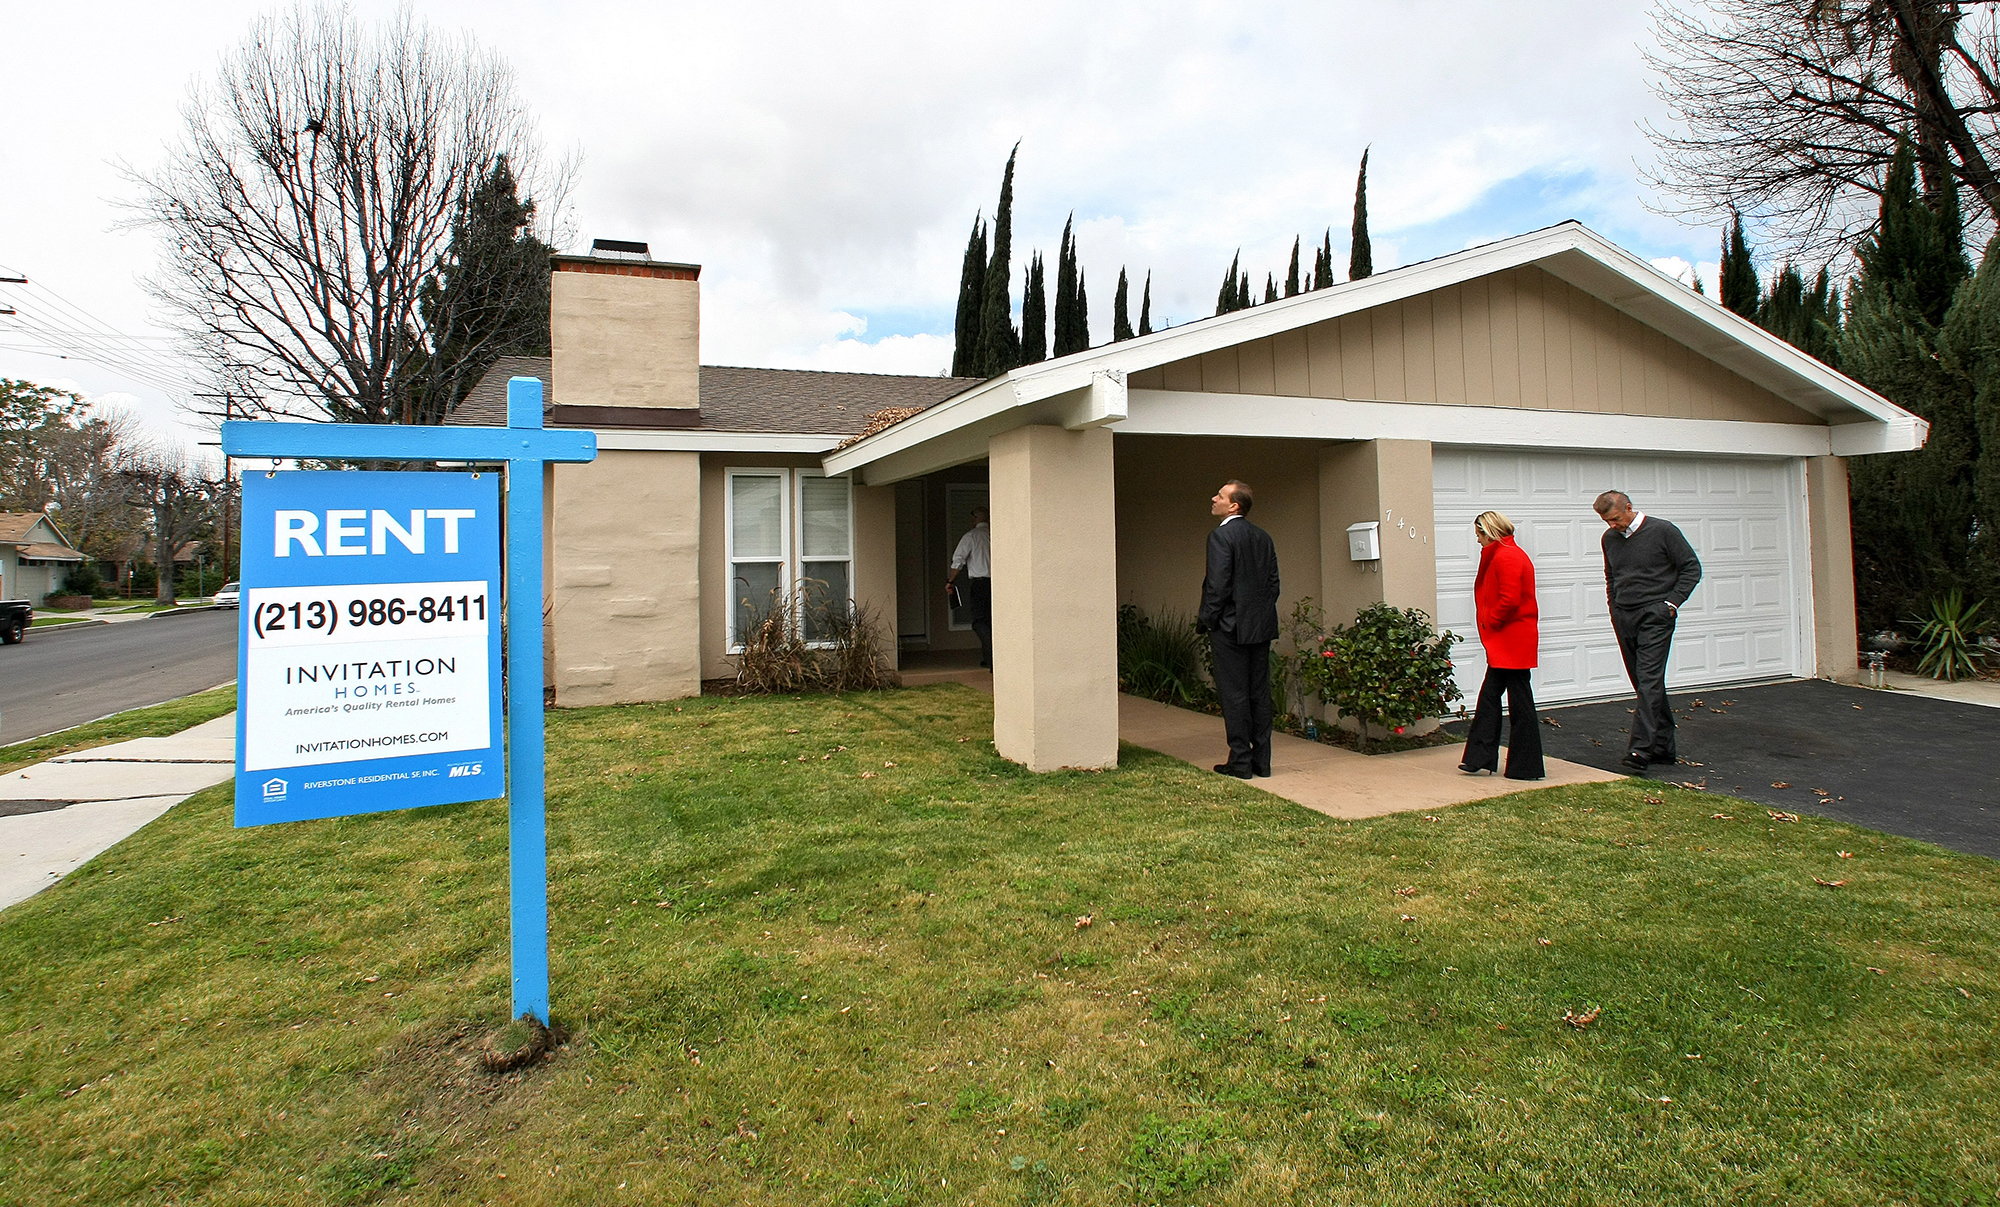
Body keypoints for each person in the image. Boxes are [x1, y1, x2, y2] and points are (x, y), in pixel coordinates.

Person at [1595, 489, 1702, 772]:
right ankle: (1664, 748)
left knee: (1649, 679)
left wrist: (1671, 603)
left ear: (1629, 507)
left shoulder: (1664, 531)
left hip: (1656, 614)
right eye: (1607, 522)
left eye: (1615, 519)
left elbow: (1691, 568)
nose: (1612, 526)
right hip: (1625, 615)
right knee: (1642, 681)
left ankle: (1640, 751)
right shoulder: (1610, 539)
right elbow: (1612, 576)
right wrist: (1614, 609)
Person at [1197, 480, 1281, 779]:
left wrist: (1209, 619)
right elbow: (1273, 585)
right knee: (1258, 694)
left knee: (1234, 695)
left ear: (1234, 505)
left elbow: (1217, 586)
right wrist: (1257, 615)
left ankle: (1240, 762)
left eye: (1219, 495)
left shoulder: (1221, 537)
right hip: (1259, 628)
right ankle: (1262, 762)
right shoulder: (1263, 537)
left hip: (1230, 628)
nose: (1213, 498)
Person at [1458, 511, 1545, 780]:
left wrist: (1492, 621)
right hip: (1507, 639)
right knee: (1494, 698)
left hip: (1511, 638)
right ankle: (1482, 758)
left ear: (1490, 532)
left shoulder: (1507, 556)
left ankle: (1521, 765)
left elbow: (1509, 599)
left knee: (1517, 701)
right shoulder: (1505, 554)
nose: (1478, 541)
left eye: (1479, 535)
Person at [945, 506, 993, 669]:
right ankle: (990, 658)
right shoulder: (995, 534)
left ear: (975, 519)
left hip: (980, 584)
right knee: (992, 620)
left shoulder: (971, 536)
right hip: (997, 585)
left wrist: (950, 581)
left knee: (980, 622)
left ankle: (992, 658)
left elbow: (958, 561)